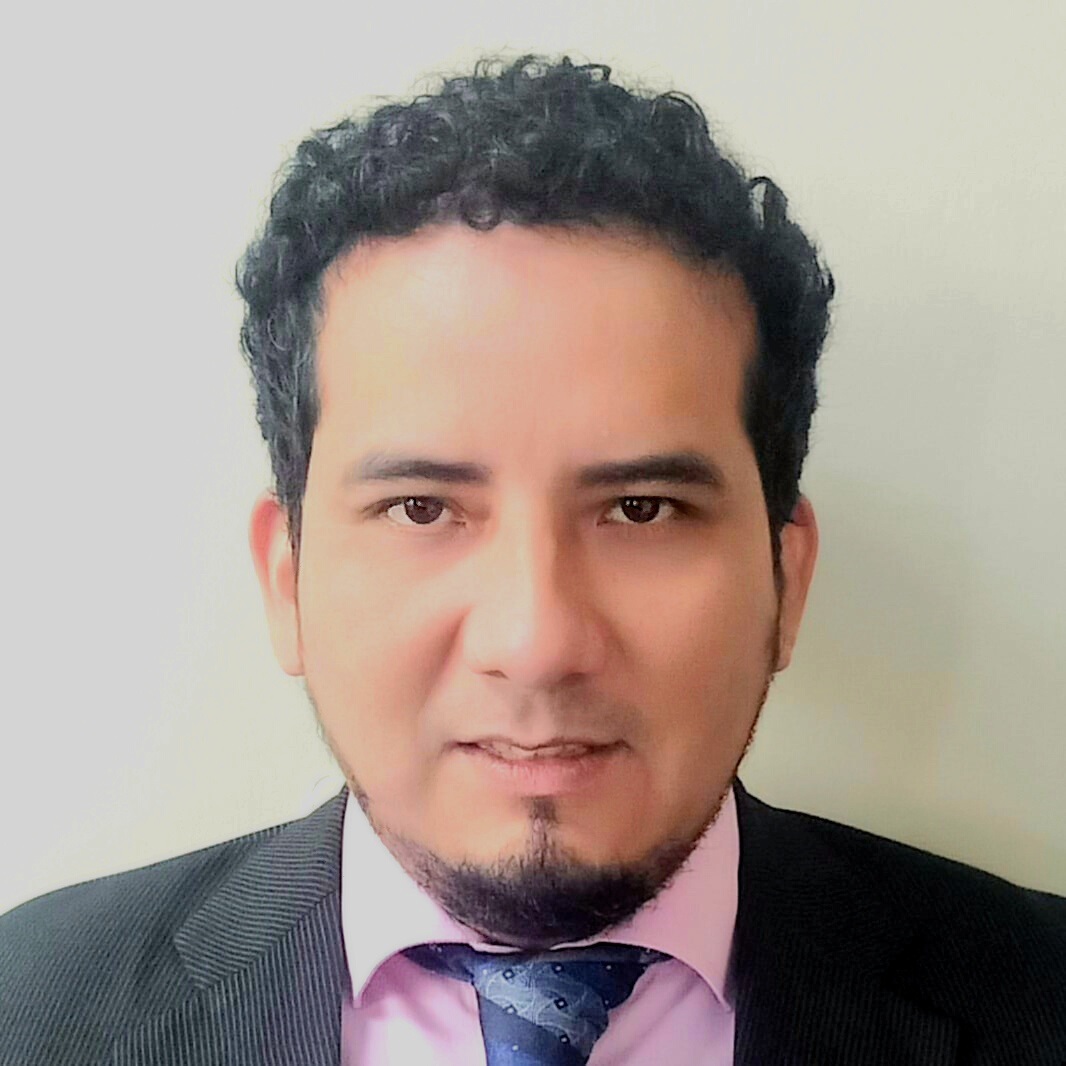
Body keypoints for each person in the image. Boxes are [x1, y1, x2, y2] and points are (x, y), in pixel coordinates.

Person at [1, 52, 1063, 1066]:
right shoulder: (27, 1006)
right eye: (420, 507)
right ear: (286, 579)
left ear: (787, 583)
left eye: (641, 509)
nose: (537, 642)